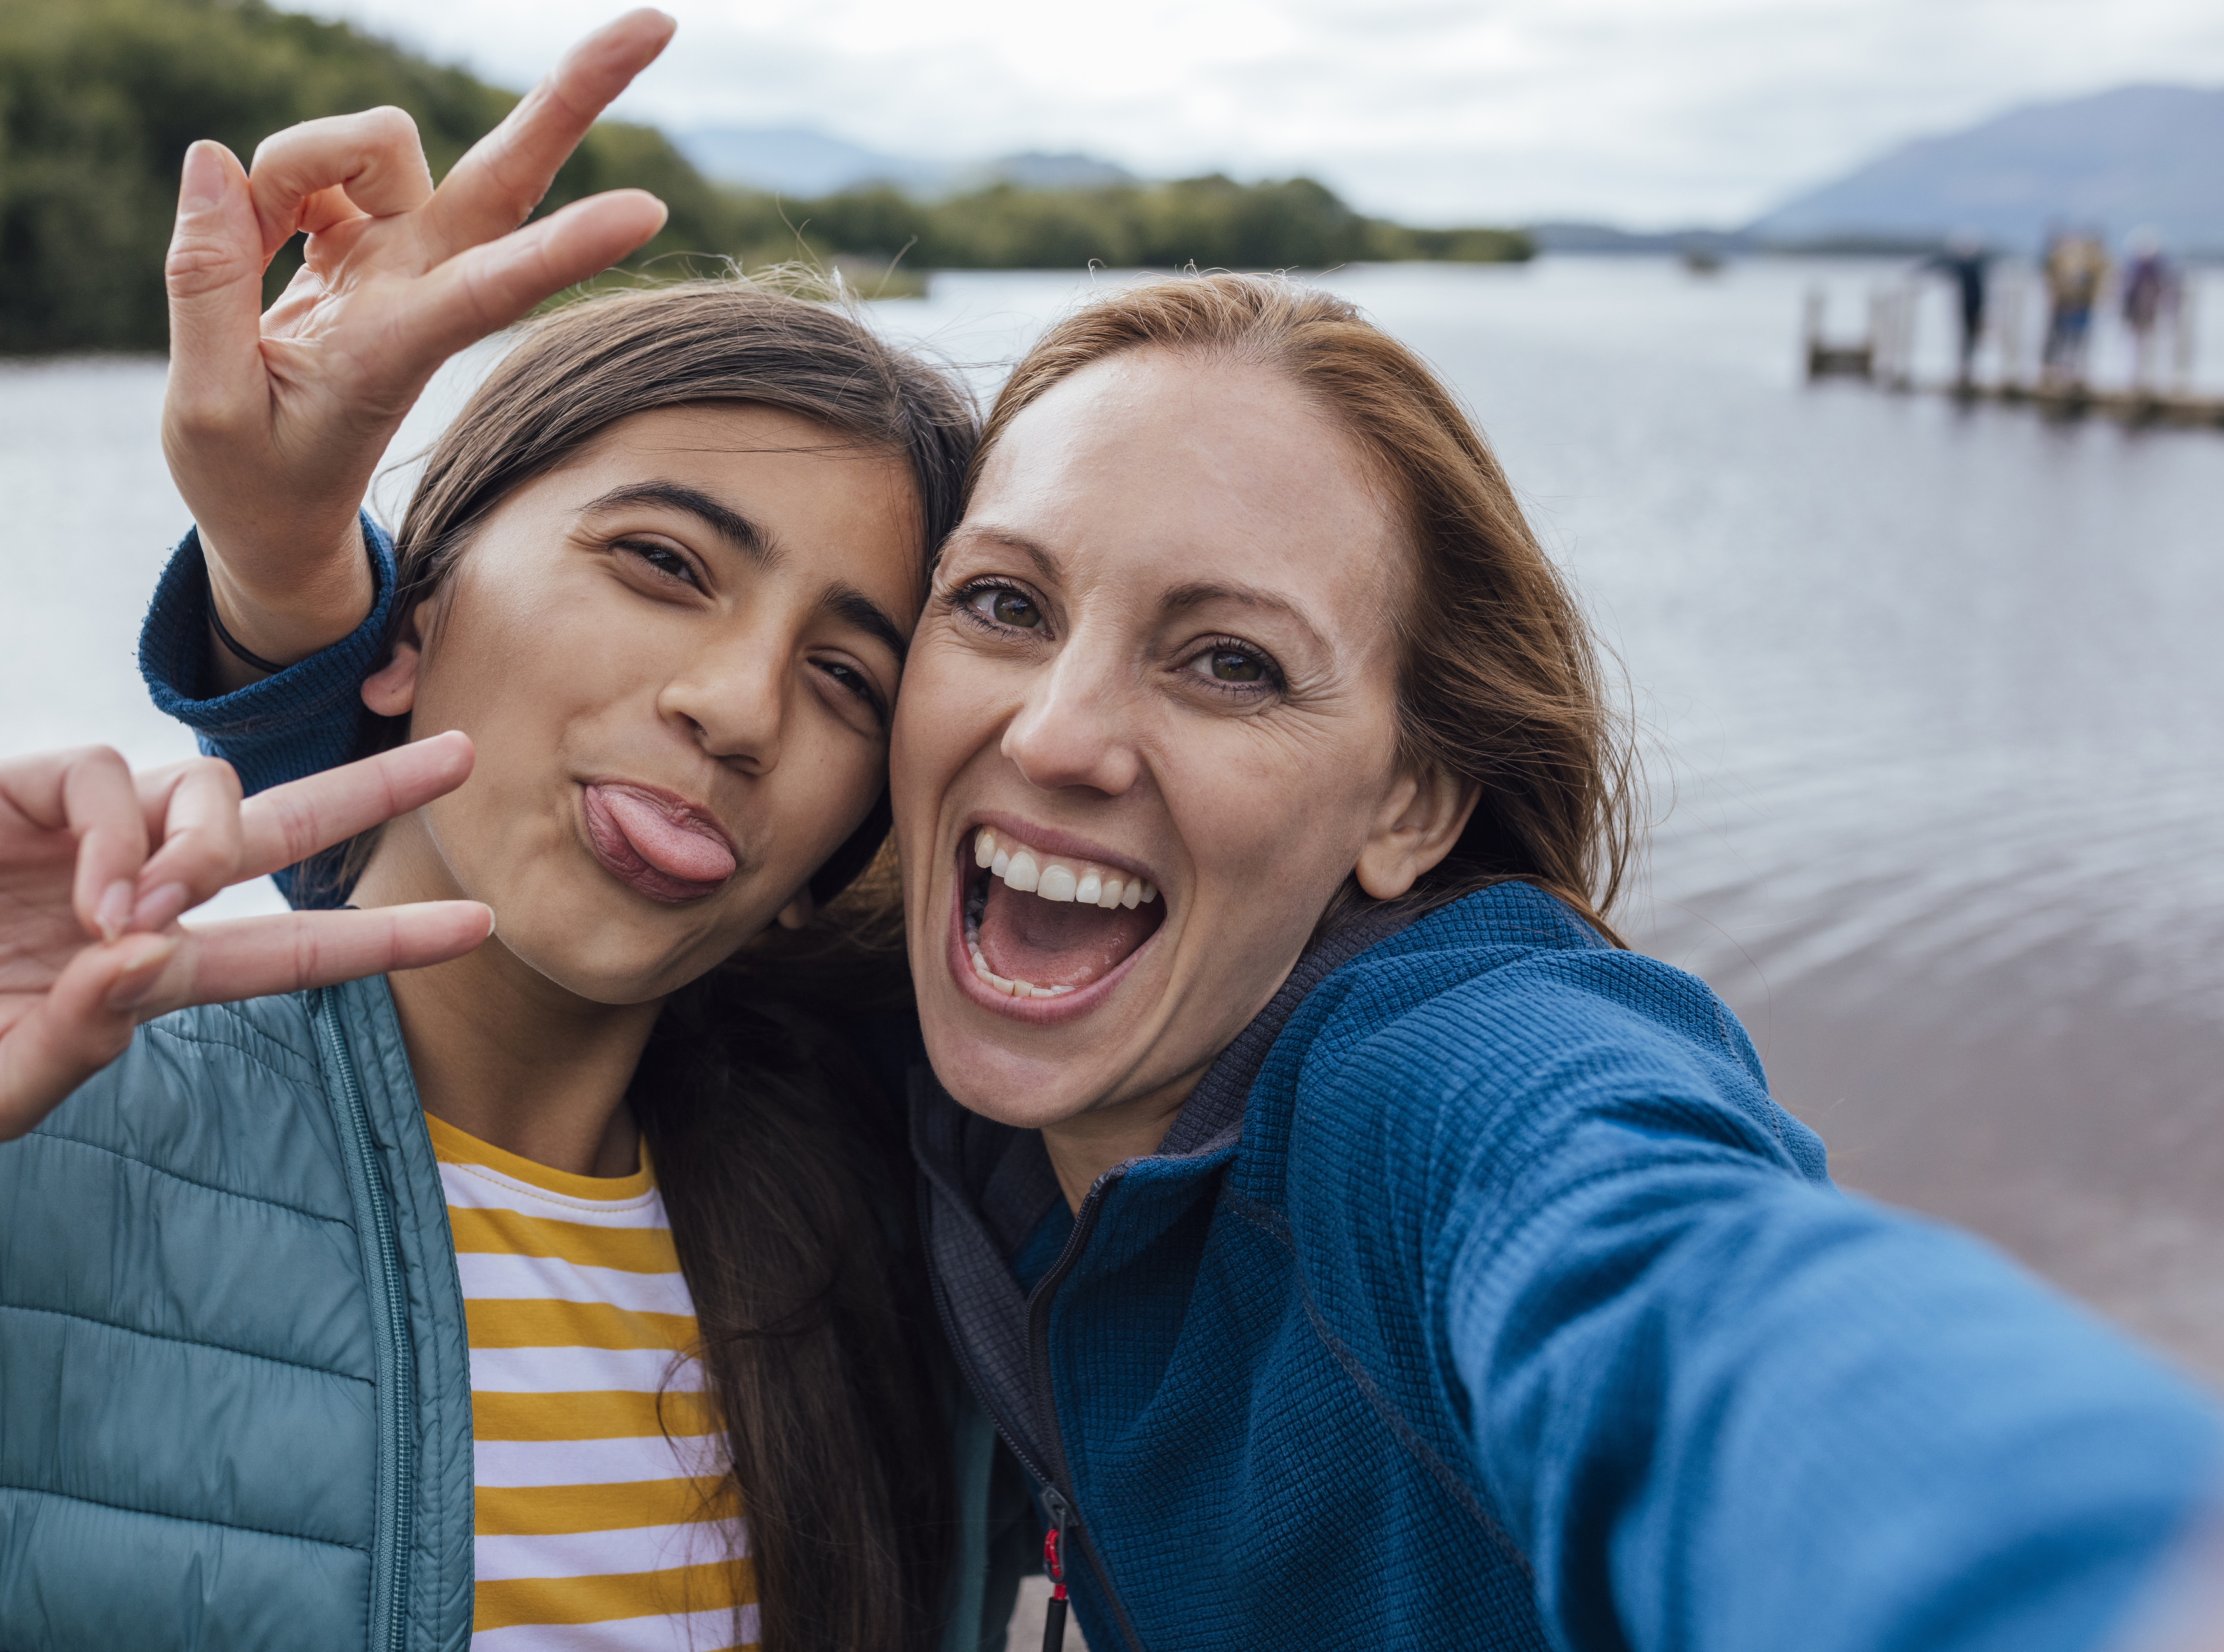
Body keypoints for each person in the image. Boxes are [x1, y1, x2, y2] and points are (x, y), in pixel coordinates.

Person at [211, 265, 2224, 1651]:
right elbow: (581, 872)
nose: (1063, 734)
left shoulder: (1425, 1095)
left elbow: (1675, 1297)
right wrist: (289, 598)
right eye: (999, 605)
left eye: (1229, 662)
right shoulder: (912, 1051)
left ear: (1408, 807)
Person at [0, 11, 1014, 1652]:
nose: (741, 706)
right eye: (665, 563)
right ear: (404, 615)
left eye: (846, 676)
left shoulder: (904, 1236)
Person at [2042, 225, 2110, 389]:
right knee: (2063, 337)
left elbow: (2096, 283)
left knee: (2075, 338)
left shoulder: (2091, 262)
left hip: (2079, 305)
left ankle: (2070, 370)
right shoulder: (2061, 259)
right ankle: (2058, 369)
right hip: (2065, 305)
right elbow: (2054, 281)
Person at [1927, 229, 1991, 389]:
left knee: (1969, 338)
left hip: (1971, 307)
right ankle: (1967, 368)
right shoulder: (1976, 266)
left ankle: (1966, 368)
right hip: (1972, 306)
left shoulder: (1967, 266)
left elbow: (1942, 265)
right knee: (1969, 339)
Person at [2122, 229, 2181, 396]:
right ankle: (2137, 377)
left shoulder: (2148, 271)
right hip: (2140, 315)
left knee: (2147, 345)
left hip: (2149, 314)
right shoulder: (2142, 271)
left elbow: (2168, 292)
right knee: (2138, 345)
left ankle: (2145, 378)